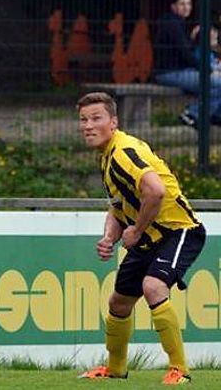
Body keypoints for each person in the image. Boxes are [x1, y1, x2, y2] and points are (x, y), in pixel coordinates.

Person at [76, 92, 205, 386]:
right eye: (83, 120)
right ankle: (115, 369)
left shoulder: (124, 151)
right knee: (119, 302)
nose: (88, 125)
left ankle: (179, 370)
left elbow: (156, 191)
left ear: (113, 122)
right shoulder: (107, 157)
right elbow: (117, 206)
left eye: (96, 118)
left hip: (179, 229)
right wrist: (109, 236)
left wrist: (135, 230)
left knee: (153, 286)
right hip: (149, 236)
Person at [153, 0, 221, 126]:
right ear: (173, 6)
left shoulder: (178, 23)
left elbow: (187, 51)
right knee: (217, 83)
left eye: (188, 4)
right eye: (182, 4)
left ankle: (213, 116)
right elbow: (186, 54)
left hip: (181, 71)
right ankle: (191, 114)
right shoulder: (172, 24)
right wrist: (207, 69)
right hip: (169, 73)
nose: (186, 7)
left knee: (217, 83)